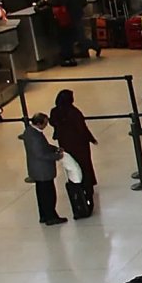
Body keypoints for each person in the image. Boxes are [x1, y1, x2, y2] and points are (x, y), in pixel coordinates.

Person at [49, 90, 97, 219]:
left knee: (72, 166)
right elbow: (82, 129)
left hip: (65, 144)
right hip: (79, 145)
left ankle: (76, 185)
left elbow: (52, 122)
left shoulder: (55, 111)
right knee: (85, 166)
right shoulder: (74, 112)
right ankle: (87, 188)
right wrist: (91, 138)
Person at [21, 114, 67, 226]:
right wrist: (57, 156)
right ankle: (51, 217)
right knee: (48, 195)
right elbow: (40, 154)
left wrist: (55, 148)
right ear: (38, 123)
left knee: (41, 194)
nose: (46, 125)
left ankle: (44, 215)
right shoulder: (35, 137)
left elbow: (43, 146)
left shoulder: (29, 131)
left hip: (36, 169)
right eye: (45, 123)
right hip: (43, 170)